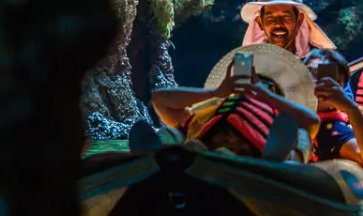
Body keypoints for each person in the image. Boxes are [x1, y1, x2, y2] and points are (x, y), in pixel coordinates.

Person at [137, 44, 319, 161]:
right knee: (172, 131)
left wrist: (264, 94)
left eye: (264, 83)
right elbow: (159, 99)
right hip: (207, 152)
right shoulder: (208, 108)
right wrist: (216, 92)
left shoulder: (278, 117)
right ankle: (161, 154)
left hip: (257, 156)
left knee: (302, 137)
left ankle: (281, 164)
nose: (251, 83)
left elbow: (312, 122)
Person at [303, 48, 363, 173]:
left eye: (326, 78)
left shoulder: (332, 130)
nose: (315, 83)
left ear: (340, 90)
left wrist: (352, 110)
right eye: (310, 74)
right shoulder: (280, 108)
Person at [239, 0, 337, 57]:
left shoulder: (315, 62)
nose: (278, 24)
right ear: (260, 22)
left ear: (299, 20)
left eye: (286, 17)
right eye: (270, 18)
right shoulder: (247, 64)